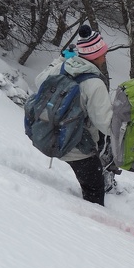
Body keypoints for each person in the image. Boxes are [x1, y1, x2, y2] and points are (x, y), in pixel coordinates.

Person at [34, 24, 113, 206]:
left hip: (52, 134)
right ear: (95, 55)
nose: (105, 56)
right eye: (103, 53)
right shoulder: (94, 83)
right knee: (94, 190)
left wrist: (59, 60)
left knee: (89, 179)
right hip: (77, 145)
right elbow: (106, 124)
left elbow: (39, 81)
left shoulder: (63, 67)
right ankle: (89, 228)